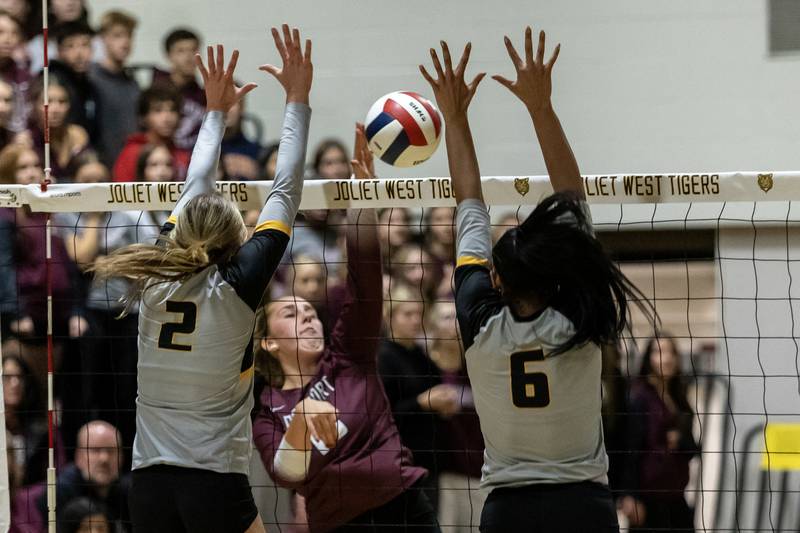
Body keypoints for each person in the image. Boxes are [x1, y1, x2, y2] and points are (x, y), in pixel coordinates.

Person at [419, 28, 649, 532]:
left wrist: (454, 117)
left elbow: (468, 206)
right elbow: (571, 198)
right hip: (583, 509)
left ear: (496, 278)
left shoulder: (479, 322)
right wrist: (540, 107)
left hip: (509, 511)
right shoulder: (580, 315)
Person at [91, 29, 310, 533]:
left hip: (147, 485)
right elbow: (285, 187)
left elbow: (196, 187)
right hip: (212, 479)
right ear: (236, 242)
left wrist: (212, 113)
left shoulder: (156, 278)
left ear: (181, 231)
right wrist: (297, 100)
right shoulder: (237, 288)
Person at [252, 124, 438, 532]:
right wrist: (300, 419)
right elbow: (288, 475)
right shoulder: (267, 407)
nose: (307, 316)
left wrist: (363, 200)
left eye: (310, 312)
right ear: (267, 342)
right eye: (291, 314)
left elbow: (366, 281)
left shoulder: (347, 354)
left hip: (403, 509)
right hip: (340, 525)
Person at [624, 336, 699, 532]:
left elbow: (693, 448)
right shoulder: (639, 396)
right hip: (648, 498)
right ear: (649, 358)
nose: (666, 358)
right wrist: (630, 495)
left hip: (675, 496)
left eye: (671, 352)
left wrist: (680, 441)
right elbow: (630, 449)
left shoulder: (680, 397)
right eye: (659, 352)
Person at [37, 421, 130, 532]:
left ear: (122, 457)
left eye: (111, 451)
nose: (104, 458)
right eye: (95, 450)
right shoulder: (60, 491)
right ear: (78, 456)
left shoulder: (129, 491)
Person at [89, 10, 140, 167]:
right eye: (117, 36)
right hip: (100, 164)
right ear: (103, 39)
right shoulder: (91, 77)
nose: (125, 43)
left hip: (128, 163)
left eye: (129, 36)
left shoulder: (132, 82)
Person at [113, 85, 189, 182]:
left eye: (172, 110)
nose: (167, 118)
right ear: (144, 118)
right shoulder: (132, 154)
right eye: (158, 110)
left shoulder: (183, 156)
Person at [151, 28, 205, 150]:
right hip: (164, 158)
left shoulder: (203, 96)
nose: (189, 57)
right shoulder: (156, 92)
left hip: (194, 160)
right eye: (181, 51)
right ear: (169, 55)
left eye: (193, 50)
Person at [49, 20, 99, 142]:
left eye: (85, 45)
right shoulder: (52, 80)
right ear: (59, 51)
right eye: (70, 46)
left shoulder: (89, 84)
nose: (79, 53)